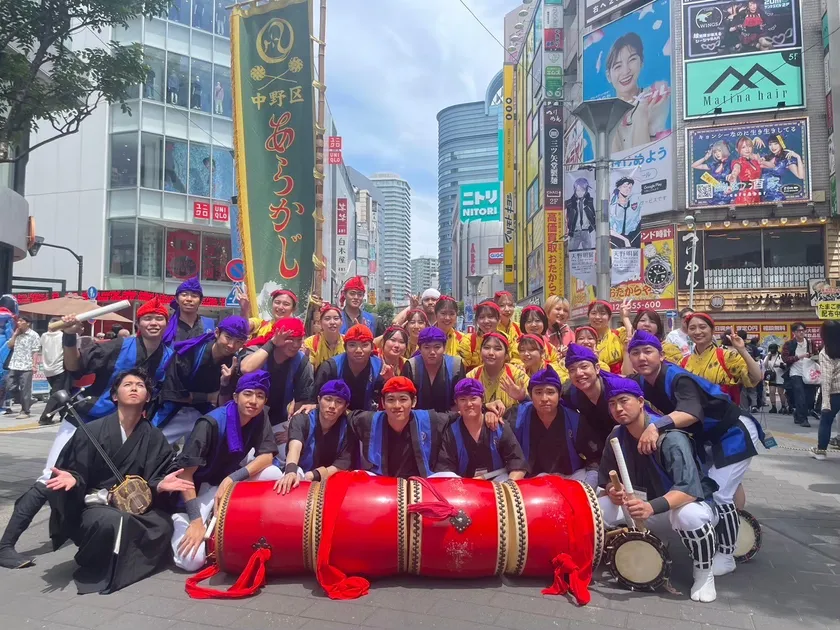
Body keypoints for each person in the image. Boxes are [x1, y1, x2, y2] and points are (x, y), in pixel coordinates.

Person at [0, 297, 175, 570]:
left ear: (166, 323)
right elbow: (75, 366)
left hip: (119, 430)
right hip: (85, 421)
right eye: (148, 318)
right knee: (50, 478)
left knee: (95, 485)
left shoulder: (167, 355)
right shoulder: (120, 346)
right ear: (138, 323)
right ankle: (5, 545)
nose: (154, 323)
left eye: (159, 318)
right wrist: (71, 338)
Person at [626, 330, 765, 578]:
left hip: (733, 432)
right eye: (635, 353)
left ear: (661, 354)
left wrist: (654, 426)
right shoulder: (641, 381)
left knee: (722, 494)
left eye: (647, 351)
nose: (641, 358)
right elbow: (618, 386)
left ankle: (727, 553)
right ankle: (717, 532)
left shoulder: (677, 377)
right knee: (716, 488)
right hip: (709, 438)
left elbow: (690, 413)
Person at [45, 369, 193, 593]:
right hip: (96, 504)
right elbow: (75, 469)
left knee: (162, 525)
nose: (134, 388)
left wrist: (160, 485)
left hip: (135, 506)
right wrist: (73, 478)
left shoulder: (154, 437)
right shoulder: (92, 431)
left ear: (148, 397)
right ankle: (102, 564)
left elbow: (159, 473)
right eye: (128, 384)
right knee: (112, 521)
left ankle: (124, 563)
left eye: (140, 385)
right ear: (115, 396)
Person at [599, 376, 719, 603]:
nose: (618, 408)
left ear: (641, 401)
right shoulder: (615, 435)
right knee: (599, 509)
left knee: (690, 516)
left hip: (677, 507)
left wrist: (650, 508)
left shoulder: (671, 438)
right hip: (643, 510)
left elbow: (689, 490)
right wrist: (612, 491)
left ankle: (704, 573)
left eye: (624, 401)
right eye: (612, 403)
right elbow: (606, 478)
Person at [170, 370, 281, 572]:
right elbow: (185, 475)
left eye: (260, 396)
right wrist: (195, 521)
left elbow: (267, 456)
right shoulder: (210, 423)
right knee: (192, 561)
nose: (254, 401)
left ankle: (242, 521)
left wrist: (231, 478)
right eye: (248, 394)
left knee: (274, 474)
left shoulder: (259, 416)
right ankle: (181, 521)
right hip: (196, 491)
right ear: (236, 396)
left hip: (225, 483)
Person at [151, 316, 249, 444]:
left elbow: (225, 401)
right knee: (151, 445)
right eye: (228, 338)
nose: (231, 345)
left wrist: (225, 384)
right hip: (175, 410)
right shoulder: (189, 353)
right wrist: (208, 397)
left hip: (205, 414)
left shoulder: (234, 363)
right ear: (217, 332)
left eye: (238, 341)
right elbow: (172, 392)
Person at [348, 377, 454, 477]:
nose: (397, 406)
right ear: (383, 403)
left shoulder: (430, 420)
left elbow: (457, 416)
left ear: (414, 401)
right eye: (390, 400)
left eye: (403, 399)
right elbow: (347, 415)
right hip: (383, 487)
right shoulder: (369, 421)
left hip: (418, 488)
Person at [510, 365, 600, 483]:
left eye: (550, 392)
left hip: (570, 477)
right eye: (538, 392)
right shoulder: (517, 416)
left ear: (559, 393)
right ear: (530, 395)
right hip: (529, 481)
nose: (544, 398)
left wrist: (590, 483)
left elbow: (594, 456)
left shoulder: (574, 419)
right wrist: (488, 411)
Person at [240, 317, 314, 455]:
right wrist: (272, 343)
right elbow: (246, 368)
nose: (296, 345)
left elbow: (301, 402)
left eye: (299, 340)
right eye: (290, 339)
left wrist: (292, 430)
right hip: (244, 422)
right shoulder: (257, 350)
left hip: (278, 422)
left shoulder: (302, 361)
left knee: (290, 450)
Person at [275, 380, 358, 494]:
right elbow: (295, 446)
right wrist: (290, 471)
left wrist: (316, 475)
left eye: (339, 402)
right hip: (300, 471)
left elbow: (344, 462)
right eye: (328, 399)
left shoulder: (348, 426)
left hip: (331, 475)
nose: (332, 406)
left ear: (345, 406)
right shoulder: (302, 419)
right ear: (319, 400)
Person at [435, 379, 527, 481]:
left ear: (482, 399)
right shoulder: (451, 432)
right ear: (456, 402)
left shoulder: (499, 427)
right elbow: (444, 471)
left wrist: (508, 485)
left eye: (473, 398)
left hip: (498, 485)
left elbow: (518, 463)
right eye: (462, 399)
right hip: (464, 487)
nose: (469, 404)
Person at [606, 32, 670, 155]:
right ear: (609, 75)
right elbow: (610, 167)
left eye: (632, 60)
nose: (626, 71)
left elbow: (643, 159)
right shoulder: (604, 115)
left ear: (641, 62)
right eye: (617, 66)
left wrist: (641, 114)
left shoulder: (656, 96)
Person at [681, 313, 762, 409]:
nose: (697, 332)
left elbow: (756, 377)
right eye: (692, 328)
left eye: (702, 327)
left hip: (725, 419)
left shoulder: (728, 357)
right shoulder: (684, 362)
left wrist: (742, 350)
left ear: (712, 330)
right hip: (694, 419)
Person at [562, 343, 621, 455]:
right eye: (572, 370)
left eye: (584, 367)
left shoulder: (618, 388)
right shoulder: (570, 394)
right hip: (598, 450)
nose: (579, 373)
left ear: (597, 368)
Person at [312, 324, 383, 412]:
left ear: (372, 347)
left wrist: (389, 379)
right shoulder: (330, 367)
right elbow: (315, 402)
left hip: (367, 418)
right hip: (335, 417)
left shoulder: (379, 367)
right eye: (352, 345)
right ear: (345, 347)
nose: (358, 350)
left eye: (364, 345)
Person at [402, 326, 466, 412]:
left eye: (437, 347)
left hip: (449, 419)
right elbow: (404, 398)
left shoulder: (455, 365)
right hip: (418, 420)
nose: (432, 352)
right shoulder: (411, 365)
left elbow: (461, 398)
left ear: (444, 348)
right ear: (420, 349)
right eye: (426, 347)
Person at [466, 333, 530, 407]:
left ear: (506, 355)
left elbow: (535, 406)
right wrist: (485, 407)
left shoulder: (517, 375)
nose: (491, 353)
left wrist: (523, 398)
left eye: (497, 349)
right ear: (480, 351)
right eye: (486, 347)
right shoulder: (472, 376)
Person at [620, 307, 682, 374]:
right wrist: (625, 317)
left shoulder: (669, 349)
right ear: (636, 324)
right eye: (642, 320)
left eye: (652, 322)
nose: (647, 324)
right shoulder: (630, 346)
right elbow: (627, 377)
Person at [811, 321, 840, 460]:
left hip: (835, 392)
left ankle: (821, 450)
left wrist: (826, 402)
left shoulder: (826, 352)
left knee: (826, 421)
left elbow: (826, 379)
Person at [4, 314, 41, 419]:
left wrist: (34, 365)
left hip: (27, 366)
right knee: (9, 386)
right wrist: (15, 335)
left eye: (21, 321)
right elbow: (10, 345)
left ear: (28, 323)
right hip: (14, 364)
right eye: (18, 321)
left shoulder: (34, 335)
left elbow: (35, 351)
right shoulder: (17, 333)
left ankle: (25, 411)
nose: (18, 323)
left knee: (25, 389)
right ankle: (28, 401)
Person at [161, 276, 216, 344]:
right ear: (176, 299)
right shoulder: (168, 327)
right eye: (184, 295)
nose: (189, 299)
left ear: (200, 301)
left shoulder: (209, 325)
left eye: (194, 296)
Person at [39, 317, 72, 426]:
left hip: (48, 369)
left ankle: (64, 415)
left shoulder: (43, 336)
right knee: (57, 394)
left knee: (62, 392)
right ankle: (45, 417)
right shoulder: (62, 336)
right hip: (60, 368)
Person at [783, 322, 815, 427]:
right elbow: (785, 359)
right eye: (798, 331)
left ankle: (797, 413)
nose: (801, 332)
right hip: (795, 372)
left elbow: (816, 354)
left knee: (809, 397)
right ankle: (803, 419)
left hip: (808, 372)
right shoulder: (789, 344)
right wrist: (799, 357)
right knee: (800, 395)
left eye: (803, 330)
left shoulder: (810, 343)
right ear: (794, 332)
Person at [759, 133, 806, 202]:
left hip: (777, 197)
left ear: (781, 144)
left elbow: (801, 176)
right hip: (762, 196)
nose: (773, 147)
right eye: (770, 144)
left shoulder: (786, 159)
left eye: (775, 144)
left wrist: (798, 157)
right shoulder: (766, 157)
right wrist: (755, 139)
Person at [460, 300, 505, 371]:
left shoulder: (506, 338)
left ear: (499, 319)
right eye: (481, 317)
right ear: (477, 320)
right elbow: (462, 369)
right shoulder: (468, 340)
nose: (486, 321)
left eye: (490, 317)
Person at [587, 300, 626, 374]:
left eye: (603, 313)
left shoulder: (619, 334)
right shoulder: (583, 340)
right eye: (593, 313)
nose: (597, 317)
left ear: (609, 317)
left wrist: (625, 317)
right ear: (588, 316)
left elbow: (631, 337)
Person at [691, 142, 734, 206]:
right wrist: (705, 158)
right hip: (713, 198)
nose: (717, 154)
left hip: (727, 197)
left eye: (719, 151)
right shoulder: (714, 164)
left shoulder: (731, 163)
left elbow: (734, 176)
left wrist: (731, 187)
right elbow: (694, 165)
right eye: (715, 152)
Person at [303, 303, 345, 370]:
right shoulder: (310, 343)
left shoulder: (347, 342)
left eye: (336, 318)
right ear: (320, 322)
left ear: (341, 321)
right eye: (327, 319)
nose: (332, 322)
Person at [727, 136, 763, 205]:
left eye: (749, 146)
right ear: (738, 149)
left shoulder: (755, 161)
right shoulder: (738, 162)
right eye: (743, 147)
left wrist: (755, 138)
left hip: (757, 195)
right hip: (745, 198)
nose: (747, 149)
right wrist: (733, 176)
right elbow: (735, 170)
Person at [609, 177, 641, 249]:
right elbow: (609, 229)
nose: (627, 189)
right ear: (619, 187)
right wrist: (625, 240)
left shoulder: (635, 202)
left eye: (630, 187)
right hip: (617, 240)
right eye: (625, 187)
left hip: (634, 239)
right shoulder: (612, 207)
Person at [565, 177, 596, 251]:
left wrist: (593, 228)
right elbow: (565, 218)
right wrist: (567, 229)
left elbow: (594, 215)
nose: (580, 192)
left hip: (586, 231)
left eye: (582, 190)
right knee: (571, 253)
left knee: (588, 253)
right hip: (575, 231)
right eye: (577, 190)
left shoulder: (590, 201)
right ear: (575, 190)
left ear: (586, 191)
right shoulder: (569, 203)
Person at [763, 343, 788, 414]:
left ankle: (783, 406)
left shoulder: (780, 356)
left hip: (780, 376)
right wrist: (768, 356)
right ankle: (773, 407)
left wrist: (780, 365)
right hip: (772, 377)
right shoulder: (769, 356)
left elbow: (785, 365)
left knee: (781, 392)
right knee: (771, 391)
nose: (771, 351)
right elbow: (765, 365)